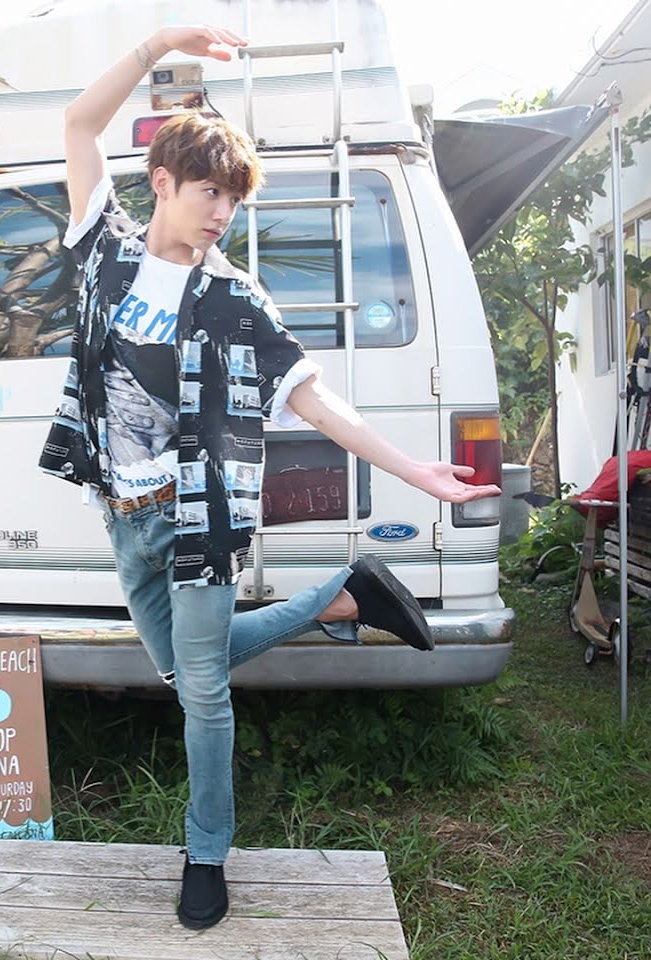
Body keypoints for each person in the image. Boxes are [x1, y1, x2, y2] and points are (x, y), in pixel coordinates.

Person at [39, 24, 500, 931]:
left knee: (203, 693)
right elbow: (79, 123)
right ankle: (342, 597)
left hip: (201, 514)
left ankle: (206, 853)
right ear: (162, 181)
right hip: (123, 511)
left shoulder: (237, 298)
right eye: (209, 191)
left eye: (234, 199)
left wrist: (416, 470)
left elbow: (317, 401)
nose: (222, 212)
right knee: (178, 670)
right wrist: (160, 44)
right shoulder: (105, 249)